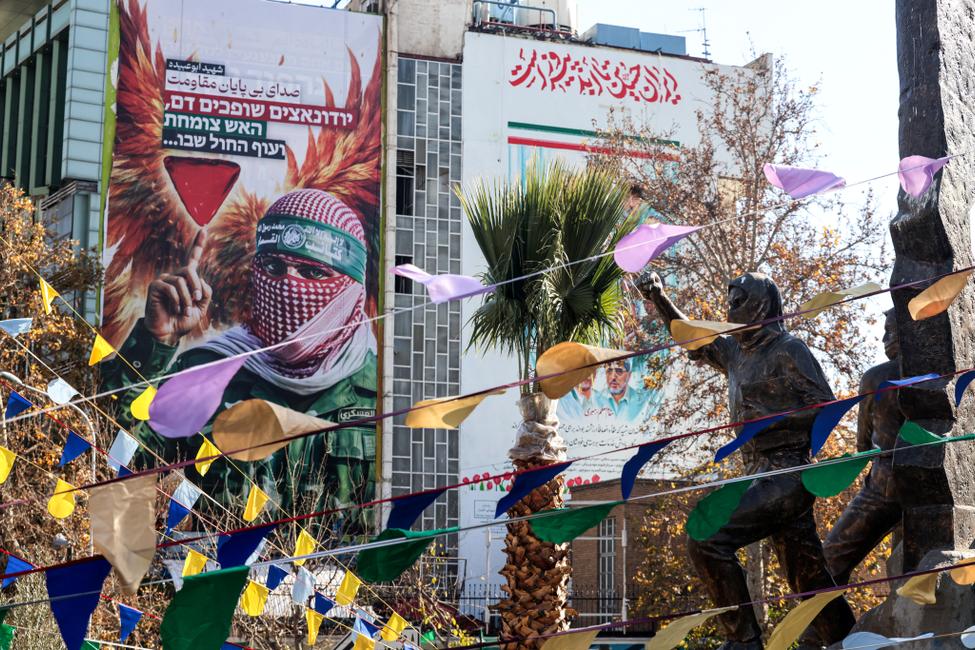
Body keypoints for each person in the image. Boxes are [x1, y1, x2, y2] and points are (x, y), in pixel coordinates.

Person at [101, 189, 377, 535]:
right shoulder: (210, 371)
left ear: (350, 289)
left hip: (339, 587)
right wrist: (154, 343)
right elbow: (115, 458)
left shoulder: (383, 393)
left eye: (311, 273)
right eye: (274, 267)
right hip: (220, 580)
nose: (289, 285)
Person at [638, 270, 855, 650]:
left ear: (760, 304)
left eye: (738, 301)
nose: (730, 308)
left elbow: (826, 409)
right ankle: (853, 639)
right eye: (729, 301)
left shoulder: (789, 349)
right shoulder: (735, 352)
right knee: (810, 580)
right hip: (756, 473)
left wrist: (770, 422)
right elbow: (691, 334)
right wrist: (657, 296)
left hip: (787, 473)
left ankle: (744, 641)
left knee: (705, 536)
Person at [824, 309, 903, 585]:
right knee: (906, 569)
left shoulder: (877, 378)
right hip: (932, 487)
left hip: (887, 484)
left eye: (891, 329)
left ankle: (829, 628)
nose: (884, 337)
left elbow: (863, 442)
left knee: (829, 563)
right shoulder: (947, 373)